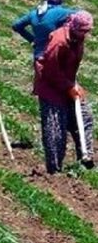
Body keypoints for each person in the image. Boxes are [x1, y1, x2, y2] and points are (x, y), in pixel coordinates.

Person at [33, 11, 94, 174]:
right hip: (51, 87)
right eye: (83, 31)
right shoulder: (59, 41)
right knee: (55, 130)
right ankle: (54, 170)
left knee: (85, 117)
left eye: (87, 31)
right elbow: (51, 71)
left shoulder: (78, 38)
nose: (86, 34)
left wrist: (73, 84)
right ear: (75, 27)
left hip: (68, 83)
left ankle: (86, 159)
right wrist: (68, 87)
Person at [12, 0, 76, 59]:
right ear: (60, 1)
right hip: (54, 55)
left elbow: (16, 26)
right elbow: (82, 16)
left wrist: (32, 39)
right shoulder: (60, 12)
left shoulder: (33, 13)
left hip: (38, 56)